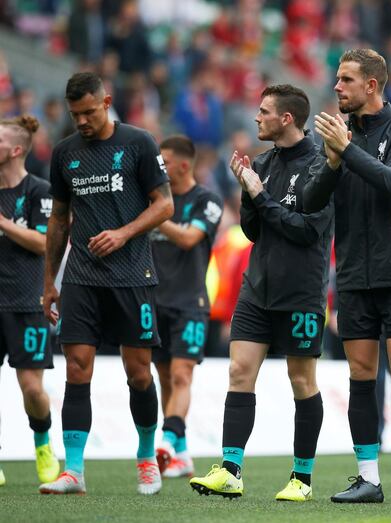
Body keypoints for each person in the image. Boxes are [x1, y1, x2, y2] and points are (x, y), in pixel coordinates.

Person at [189, 84, 333, 502]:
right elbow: (254, 231)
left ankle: (301, 479)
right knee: (238, 373)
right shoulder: (266, 161)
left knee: (301, 380)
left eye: (264, 111)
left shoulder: (321, 164)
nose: (256, 117)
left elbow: (306, 231)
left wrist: (259, 195)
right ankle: (230, 470)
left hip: (302, 291)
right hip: (257, 288)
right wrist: (248, 193)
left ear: (286, 118)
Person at [39, 71, 174, 495]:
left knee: (138, 374)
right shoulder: (64, 153)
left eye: (88, 112)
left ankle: (147, 457)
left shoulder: (138, 143)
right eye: (74, 113)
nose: (81, 121)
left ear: (107, 101)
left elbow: (165, 204)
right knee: (77, 370)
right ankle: (73, 470)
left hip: (133, 274)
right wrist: (49, 282)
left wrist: (123, 233)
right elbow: (59, 219)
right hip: (81, 276)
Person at [304, 48, 391, 504]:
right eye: (337, 79)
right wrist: (335, 161)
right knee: (360, 373)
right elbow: (314, 199)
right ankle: (368, 477)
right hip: (354, 272)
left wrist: (346, 150)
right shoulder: (339, 138)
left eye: (346, 80)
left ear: (371, 86)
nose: (337, 87)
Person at [150, 135, 223, 479]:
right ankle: (181, 453)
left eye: (163, 161)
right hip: (154, 300)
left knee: (181, 374)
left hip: (190, 303)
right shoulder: (155, 198)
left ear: (182, 164)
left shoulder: (206, 200)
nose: (158, 167)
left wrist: (150, 216)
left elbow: (188, 238)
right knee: (164, 376)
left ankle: (166, 439)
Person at [0, 115, 59, 487]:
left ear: (16, 149)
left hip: (26, 302)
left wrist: (3, 223)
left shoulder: (39, 190)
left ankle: (42, 442)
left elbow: (45, 242)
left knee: (32, 388)